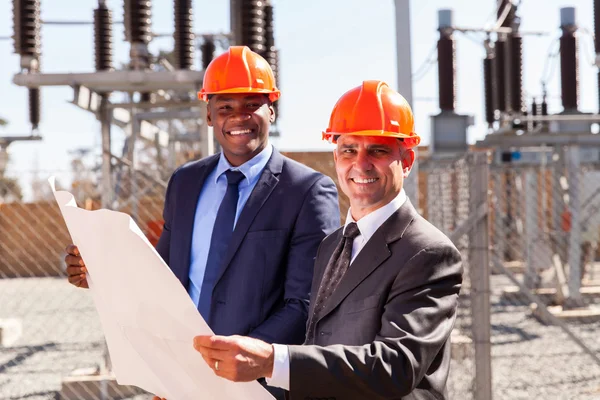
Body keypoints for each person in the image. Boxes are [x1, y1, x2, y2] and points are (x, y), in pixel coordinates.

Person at [65, 46, 340, 396]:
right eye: (225, 107)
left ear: (271, 110)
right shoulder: (185, 183)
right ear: (209, 115)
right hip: (179, 377)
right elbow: (162, 278)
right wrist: (100, 273)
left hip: (256, 386)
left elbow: (306, 304)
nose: (239, 117)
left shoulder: (307, 191)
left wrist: (241, 359)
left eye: (251, 105)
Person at [191, 80, 463, 400]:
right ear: (336, 158)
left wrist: (271, 361)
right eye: (349, 149)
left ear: (406, 161)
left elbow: (397, 366)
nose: (360, 164)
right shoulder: (333, 245)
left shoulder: (427, 252)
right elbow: (318, 346)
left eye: (378, 149)